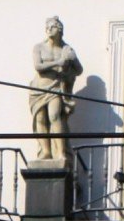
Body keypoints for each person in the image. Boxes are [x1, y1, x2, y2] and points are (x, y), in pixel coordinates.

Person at [27, 16, 83, 162]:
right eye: (47, 27)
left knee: (54, 116)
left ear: (59, 29)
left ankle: (61, 152)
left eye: (52, 26)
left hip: (56, 88)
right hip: (38, 88)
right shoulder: (38, 47)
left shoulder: (66, 49)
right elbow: (38, 66)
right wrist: (58, 62)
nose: (48, 29)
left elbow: (79, 70)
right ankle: (46, 151)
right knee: (40, 118)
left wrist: (73, 59)